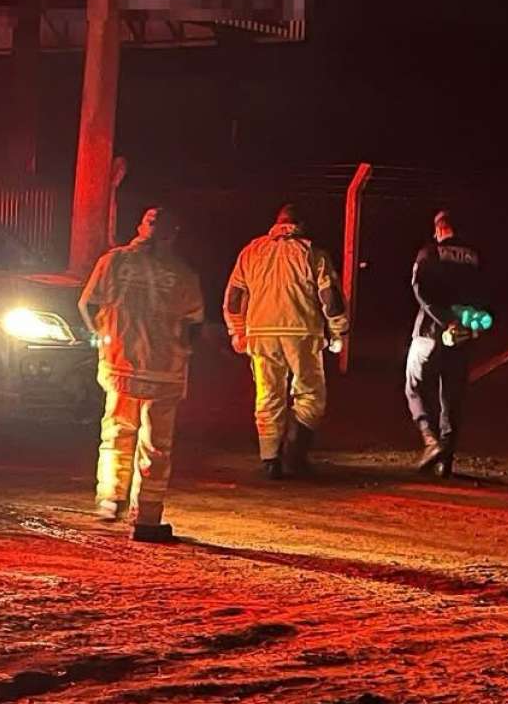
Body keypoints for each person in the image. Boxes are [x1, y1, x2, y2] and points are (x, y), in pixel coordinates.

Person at [78, 206, 205, 543]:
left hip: (120, 365)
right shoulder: (183, 274)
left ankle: (110, 498)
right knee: (156, 445)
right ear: (173, 233)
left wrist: (102, 341)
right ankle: (147, 518)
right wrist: (183, 350)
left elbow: (88, 305)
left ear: (141, 226)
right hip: (164, 372)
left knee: (116, 432)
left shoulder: (113, 261)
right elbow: (194, 323)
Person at [223, 204, 348, 478]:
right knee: (311, 395)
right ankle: (295, 451)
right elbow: (331, 300)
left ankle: (270, 459)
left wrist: (237, 330)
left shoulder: (251, 252)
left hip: (260, 332)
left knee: (267, 396)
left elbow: (233, 297)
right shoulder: (312, 253)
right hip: (302, 331)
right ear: (300, 225)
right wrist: (338, 332)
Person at [405, 209, 485, 477]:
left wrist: (444, 319)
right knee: (452, 396)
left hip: (429, 333)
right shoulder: (475, 257)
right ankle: (446, 460)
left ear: (439, 230)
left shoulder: (430, 252)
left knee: (414, 387)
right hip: (462, 336)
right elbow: (486, 295)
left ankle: (430, 441)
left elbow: (420, 289)